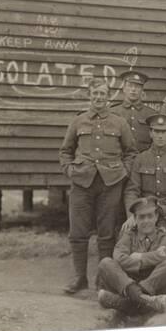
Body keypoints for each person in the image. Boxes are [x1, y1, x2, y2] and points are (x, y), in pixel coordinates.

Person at [59, 77, 138, 294]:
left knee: (106, 233)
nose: (99, 97)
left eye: (103, 93)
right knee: (78, 232)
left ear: (108, 96)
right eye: (95, 93)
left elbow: (131, 151)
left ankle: (103, 277)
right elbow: (65, 151)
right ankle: (79, 277)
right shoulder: (78, 121)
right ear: (89, 96)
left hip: (110, 183)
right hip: (82, 183)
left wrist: (124, 172)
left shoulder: (119, 122)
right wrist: (70, 170)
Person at [97, 197, 166, 313]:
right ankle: (145, 301)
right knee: (105, 263)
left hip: (153, 284)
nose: (146, 221)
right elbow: (119, 257)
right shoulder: (129, 235)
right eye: (141, 217)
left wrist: (140, 257)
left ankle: (125, 301)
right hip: (128, 281)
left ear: (156, 217)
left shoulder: (163, 234)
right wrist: (154, 256)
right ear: (135, 219)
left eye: (150, 216)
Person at [123, 114, 166, 251]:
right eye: (156, 131)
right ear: (150, 133)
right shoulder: (140, 158)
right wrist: (132, 216)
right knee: (126, 234)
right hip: (144, 211)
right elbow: (132, 190)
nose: (160, 136)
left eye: (163, 132)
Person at [110, 70, 157, 152]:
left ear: (142, 89)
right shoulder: (112, 112)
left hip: (144, 160)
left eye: (137, 86)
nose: (133, 89)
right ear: (124, 88)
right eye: (130, 85)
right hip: (120, 160)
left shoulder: (151, 114)